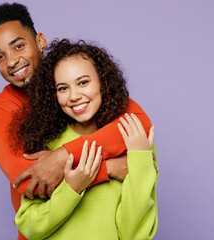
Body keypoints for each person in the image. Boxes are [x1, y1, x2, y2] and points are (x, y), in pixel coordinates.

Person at [0, 3, 153, 239]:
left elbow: (140, 124)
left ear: (40, 41)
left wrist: (62, 156)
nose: (11, 62)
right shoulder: (0, 109)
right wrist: (108, 168)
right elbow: (28, 181)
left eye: (18, 46)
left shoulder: (78, 95)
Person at [13, 39, 158, 240]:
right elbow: (30, 226)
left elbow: (135, 235)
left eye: (83, 82)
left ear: (102, 82)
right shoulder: (45, 144)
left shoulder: (133, 142)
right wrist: (73, 188)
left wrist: (140, 161)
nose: (74, 96)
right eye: (63, 88)